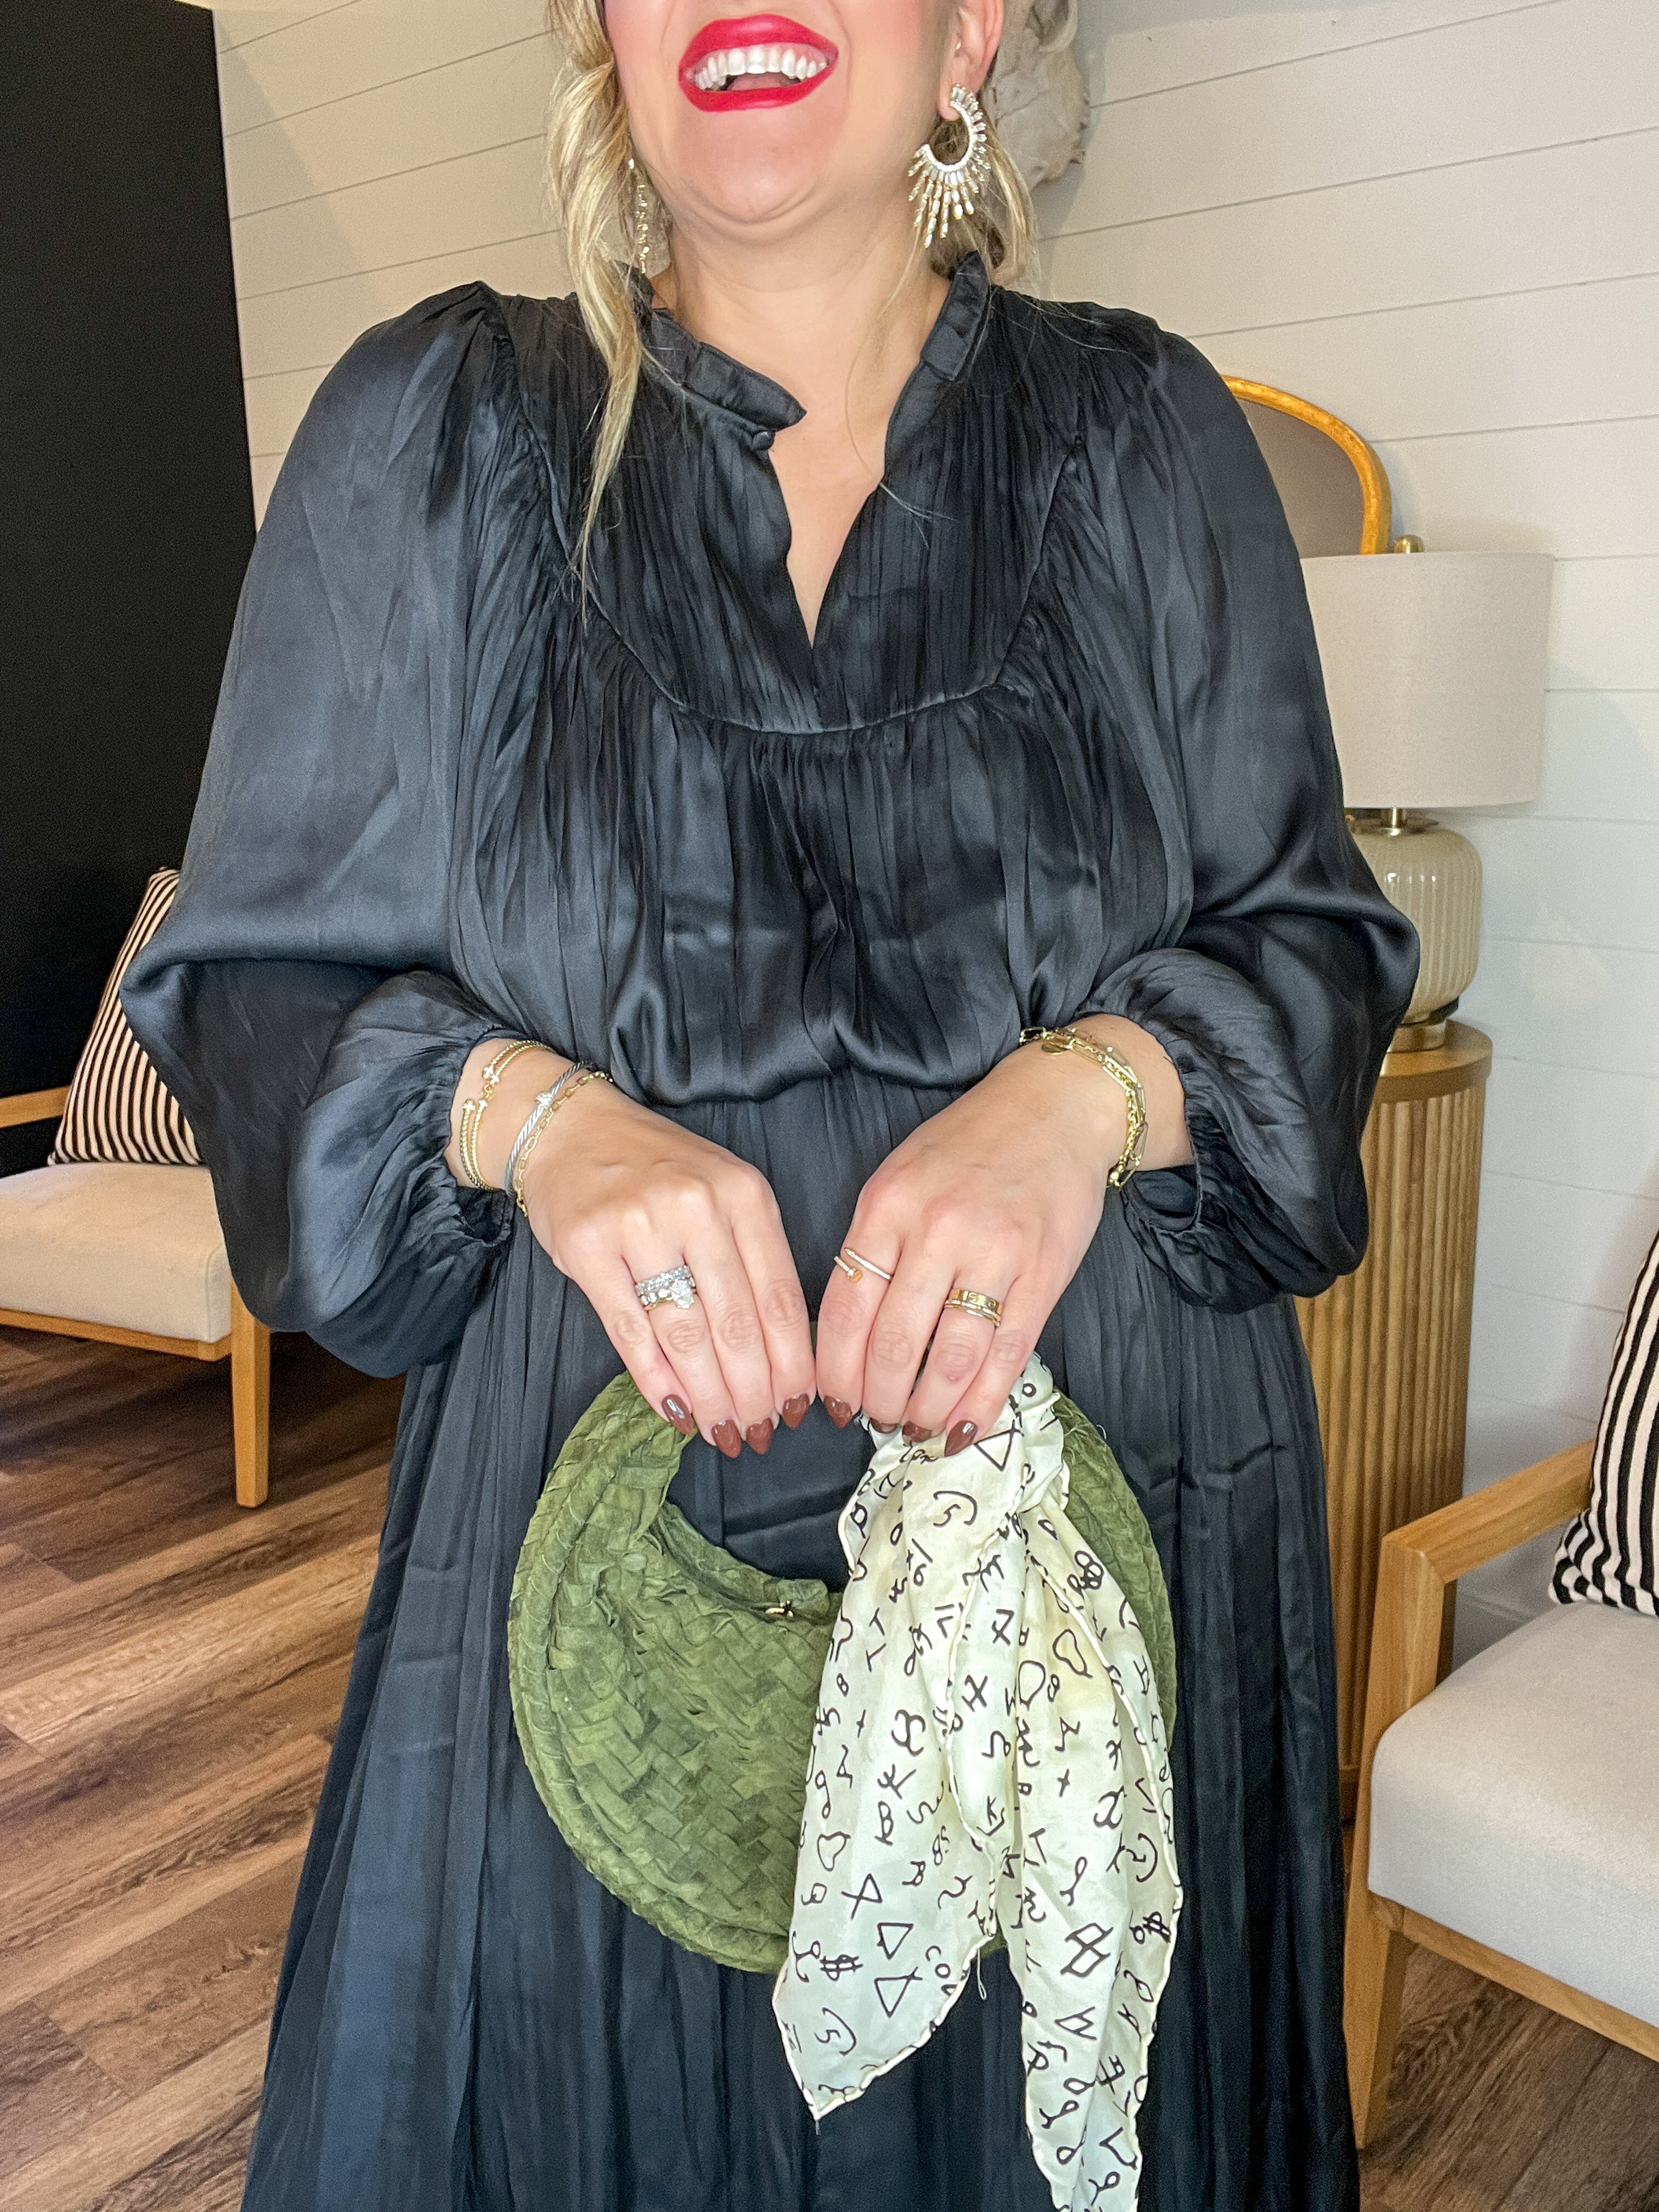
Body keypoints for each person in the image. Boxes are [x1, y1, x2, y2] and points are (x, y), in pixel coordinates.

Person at [123, 1, 1419, 2206]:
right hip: (577, 1573)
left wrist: (1093, 1092)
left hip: (1105, 1568)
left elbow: (1316, 956)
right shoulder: (429, 438)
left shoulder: (1145, 437)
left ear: (970, 29)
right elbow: (253, 991)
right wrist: (532, 1116)